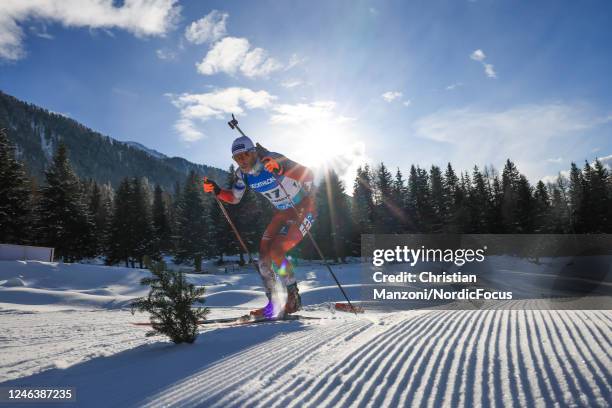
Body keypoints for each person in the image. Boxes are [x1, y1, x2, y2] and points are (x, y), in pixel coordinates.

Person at [203, 135, 315, 318]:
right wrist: (217, 190)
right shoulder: (242, 174)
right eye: (237, 158)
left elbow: (309, 174)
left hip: (303, 207)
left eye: (245, 155)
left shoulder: (271, 159)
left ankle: (293, 298)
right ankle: (273, 304)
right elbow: (235, 198)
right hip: (283, 212)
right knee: (263, 258)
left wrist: (281, 167)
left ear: (253, 152)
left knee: (277, 251)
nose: (242, 161)